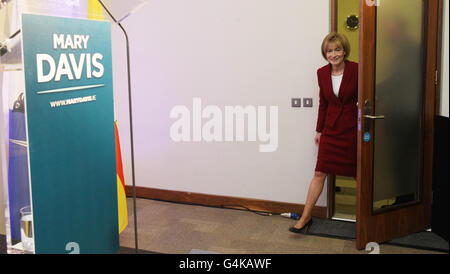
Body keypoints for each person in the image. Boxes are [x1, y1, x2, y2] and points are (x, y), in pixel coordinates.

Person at [289, 33, 358, 233]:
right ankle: (305, 217)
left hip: (351, 129)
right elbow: (324, 103)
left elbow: (365, 97)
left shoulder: (357, 69)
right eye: (329, 51)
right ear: (325, 53)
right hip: (331, 129)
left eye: (337, 49)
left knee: (358, 174)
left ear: (344, 50)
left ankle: (366, 219)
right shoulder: (321, 73)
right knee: (319, 172)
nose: (334, 54)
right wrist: (319, 130)